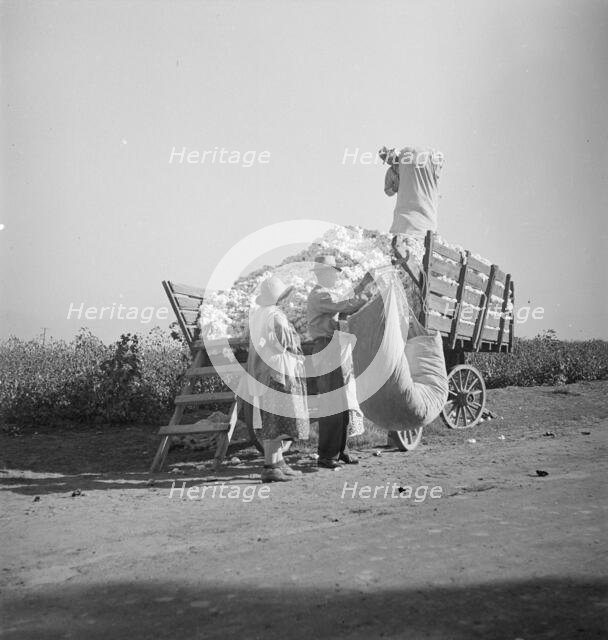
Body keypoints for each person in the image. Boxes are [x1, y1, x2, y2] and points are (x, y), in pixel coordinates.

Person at [306, 256, 372, 470]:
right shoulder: (319, 295)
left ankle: (341, 450)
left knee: (342, 401)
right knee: (332, 403)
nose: (336, 276)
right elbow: (346, 305)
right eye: (333, 273)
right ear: (324, 274)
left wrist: (364, 283)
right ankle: (326, 456)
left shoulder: (325, 294)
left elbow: (343, 300)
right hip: (326, 349)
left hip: (333, 347)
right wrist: (369, 292)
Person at [247, 276, 310, 483]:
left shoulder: (257, 315)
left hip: (262, 371)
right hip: (278, 372)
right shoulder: (276, 316)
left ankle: (278, 462)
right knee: (276, 421)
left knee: (272, 419)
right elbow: (286, 343)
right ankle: (269, 467)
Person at [380, 145, 443, 320]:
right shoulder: (392, 172)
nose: (391, 160)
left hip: (418, 221)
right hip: (404, 211)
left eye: (391, 157)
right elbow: (388, 191)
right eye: (388, 159)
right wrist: (398, 186)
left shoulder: (407, 164)